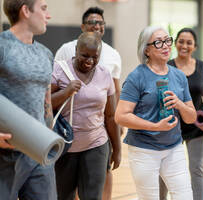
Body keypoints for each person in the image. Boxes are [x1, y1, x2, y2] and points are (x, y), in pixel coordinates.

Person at [115, 25, 196, 200]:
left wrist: (180, 105)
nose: (166, 46)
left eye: (168, 41)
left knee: (185, 195)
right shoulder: (136, 77)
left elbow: (191, 118)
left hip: (174, 147)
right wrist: (155, 126)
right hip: (144, 149)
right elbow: (121, 116)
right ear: (147, 50)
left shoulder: (179, 76)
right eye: (159, 43)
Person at [55, 7, 122, 200]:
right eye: (85, 56)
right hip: (65, 145)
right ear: (76, 50)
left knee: (92, 196)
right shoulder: (60, 67)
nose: (90, 61)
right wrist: (66, 92)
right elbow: (45, 104)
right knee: (64, 196)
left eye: (95, 57)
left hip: (96, 144)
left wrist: (116, 148)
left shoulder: (105, 72)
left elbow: (110, 115)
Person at [0, 0, 56, 199]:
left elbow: (45, 102)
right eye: (43, 8)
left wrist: (48, 136)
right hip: (5, 156)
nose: (48, 16)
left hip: (39, 154)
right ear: (25, 10)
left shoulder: (46, 54)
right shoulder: (2, 46)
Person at [159, 28, 203, 200]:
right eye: (181, 41)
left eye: (189, 42)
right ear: (175, 43)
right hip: (171, 127)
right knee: (165, 169)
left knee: (196, 168)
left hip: (197, 127)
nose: (184, 45)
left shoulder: (202, 67)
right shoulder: (167, 66)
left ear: (195, 46)